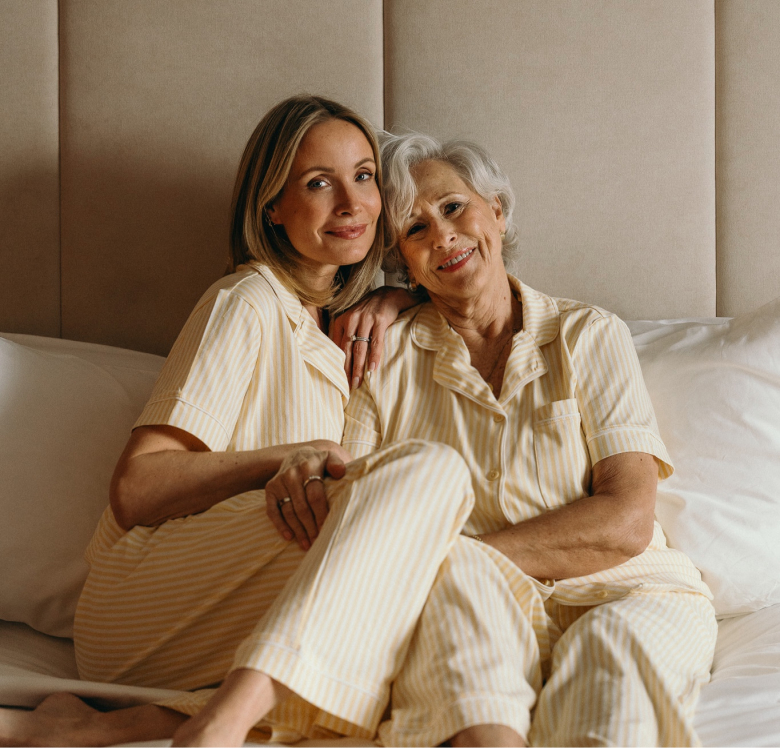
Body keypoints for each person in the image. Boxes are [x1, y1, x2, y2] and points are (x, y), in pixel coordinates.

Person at [0, 94, 413, 747]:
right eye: (318, 182)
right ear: (272, 207)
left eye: (364, 176)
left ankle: (92, 728)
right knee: (402, 509)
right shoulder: (246, 301)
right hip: (142, 602)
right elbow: (137, 487)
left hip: (237, 605)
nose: (351, 203)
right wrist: (288, 456)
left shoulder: (340, 330)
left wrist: (396, 297)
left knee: (395, 620)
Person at [332, 131, 718, 746]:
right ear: (402, 260)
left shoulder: (589, 333)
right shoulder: (380, 356)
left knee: (611, 687)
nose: (443, 236)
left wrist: (460, 557)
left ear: (497, 211)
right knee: (469, 706)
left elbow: (626, 521)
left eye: (454, 207)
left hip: (629, 590)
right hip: (472, 603)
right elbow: (352, 513)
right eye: (415, 228)